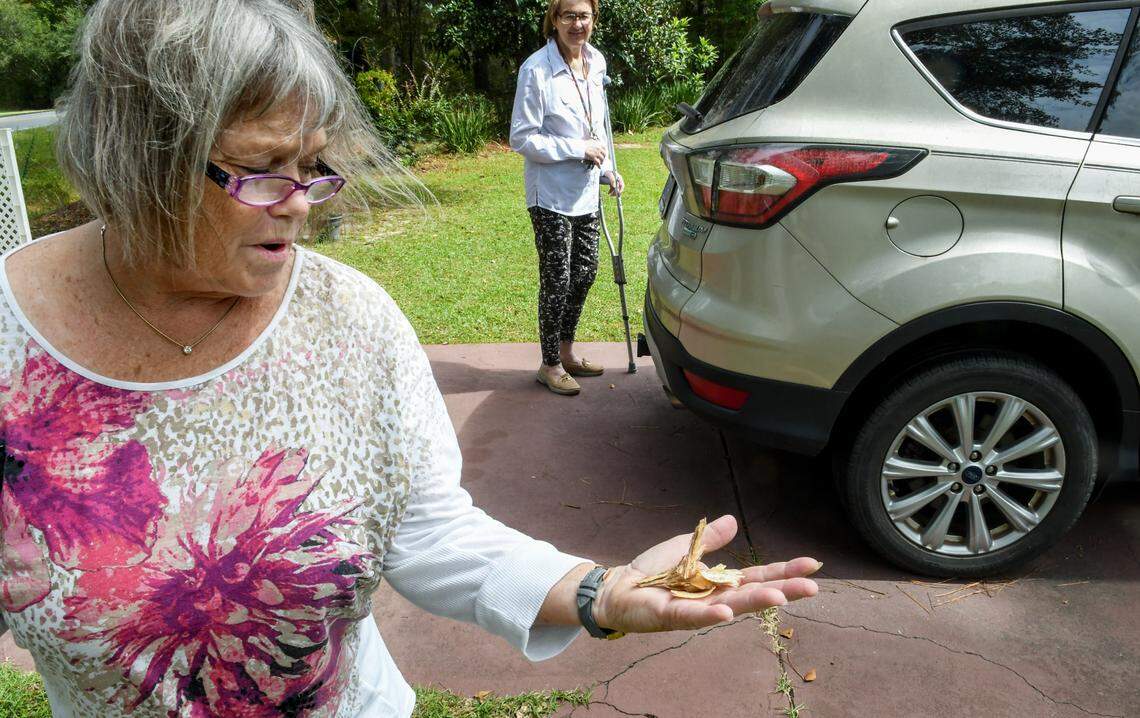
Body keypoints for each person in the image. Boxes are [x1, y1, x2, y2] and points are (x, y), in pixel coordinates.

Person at [0, 1, 821, 716]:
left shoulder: (353, 324)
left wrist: (594, 592)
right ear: (137, 157)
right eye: (259, 171)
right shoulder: (12, 343)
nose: (301, 206)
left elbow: (426, 531)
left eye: (312, 167)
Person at [510, 0, 624, 396]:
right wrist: (578, 149)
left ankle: (567, 350)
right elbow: (522, 138)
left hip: (587, 191)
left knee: (585, 273)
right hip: (550, 194)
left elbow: (601, 124)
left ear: (594, 19)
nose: (577, 24)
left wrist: (608, 166)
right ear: (554, 20)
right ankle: (549, 363)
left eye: (584, 16)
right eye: (569, 16)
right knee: (557, 278)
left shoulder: (597, 63)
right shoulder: (536, 70)